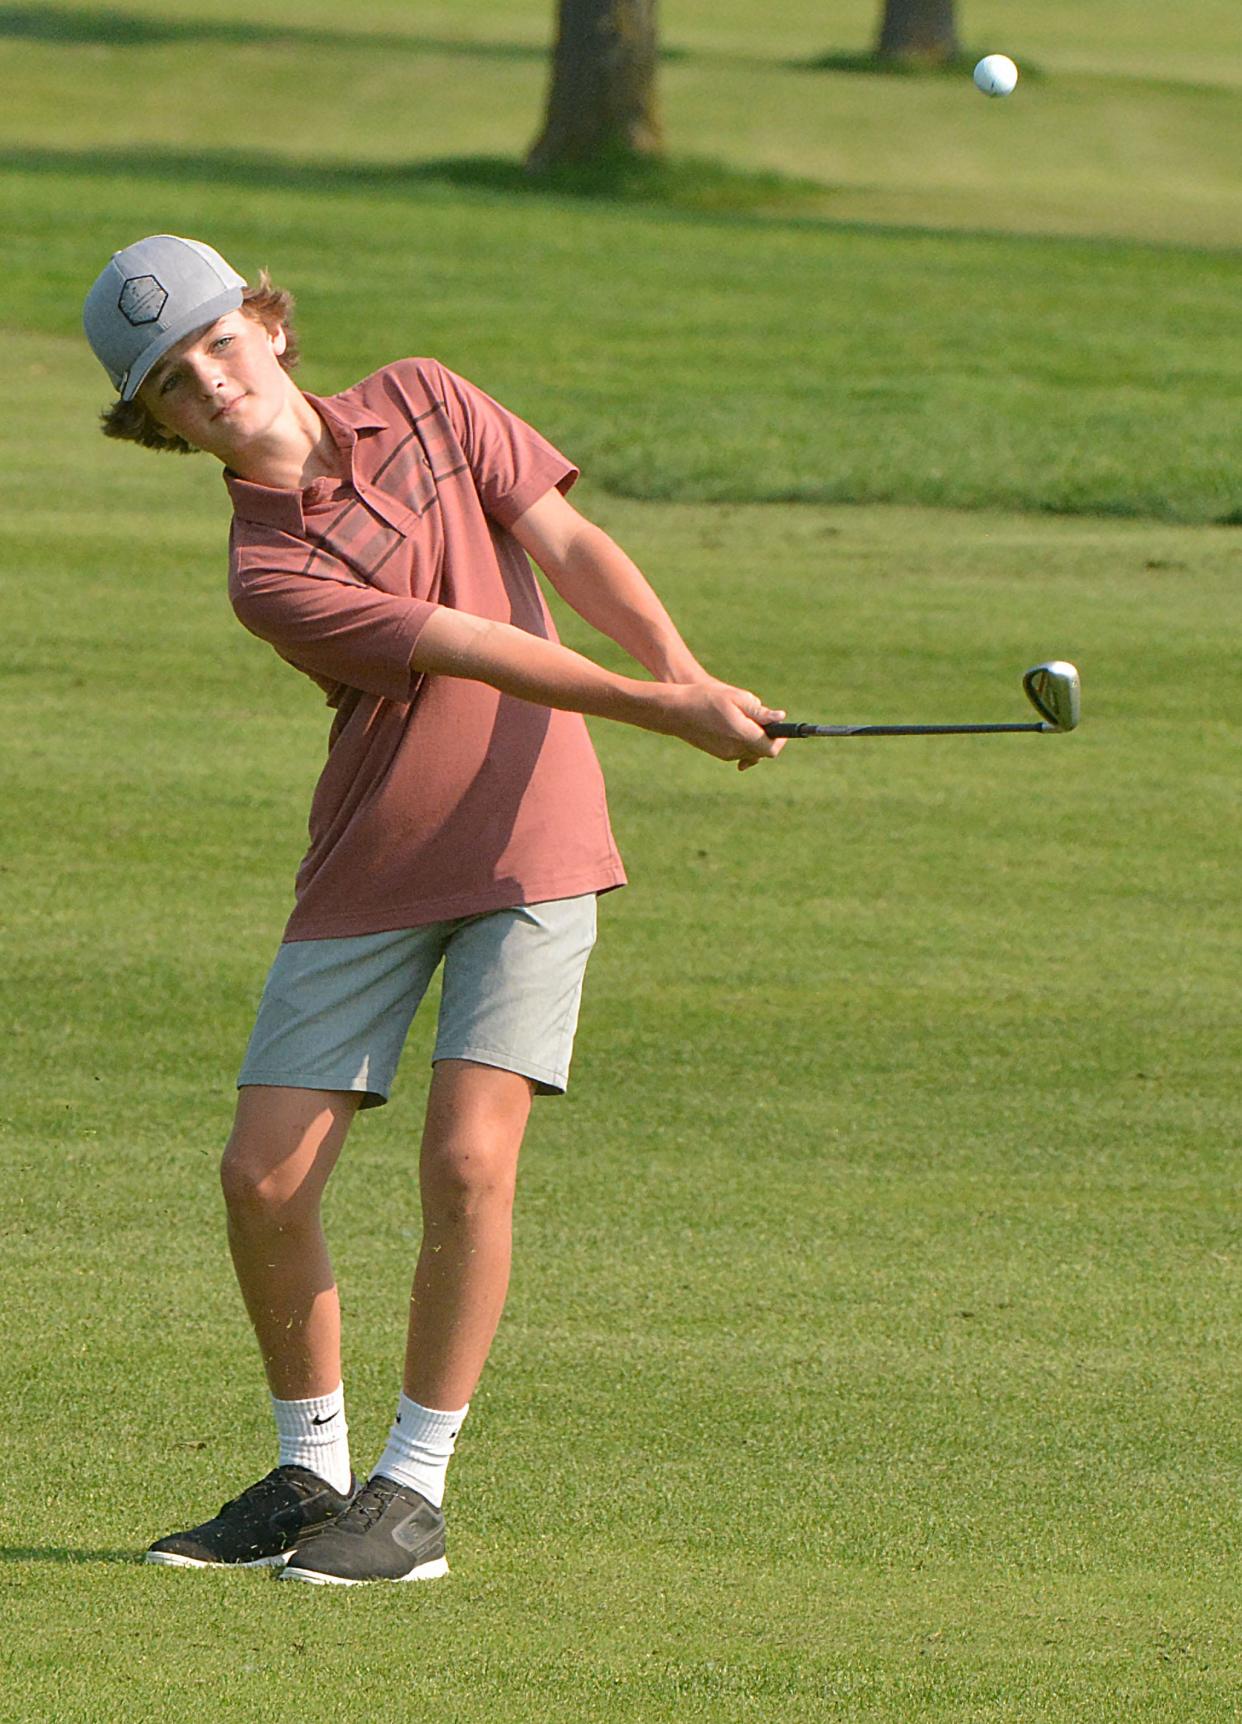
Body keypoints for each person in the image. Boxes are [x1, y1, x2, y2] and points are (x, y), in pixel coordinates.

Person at [82, 234, 784, 1586]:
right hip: (372, 860)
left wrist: (687, 670)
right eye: (173, 382)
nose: (212, 385)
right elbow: (472, 645)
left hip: (532, 845)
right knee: (261, 1176)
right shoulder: (264, 574)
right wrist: (662, 712)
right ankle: (310, 1469)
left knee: (469, 1159)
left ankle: (409, 1491)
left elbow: (566, 540)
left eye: (220, 345)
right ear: (159, 426)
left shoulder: (428, 397)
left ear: (271, 327)